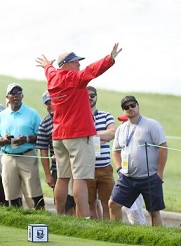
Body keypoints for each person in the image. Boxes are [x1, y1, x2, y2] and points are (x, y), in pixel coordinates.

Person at [36, 43, 121, 218]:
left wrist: (47, 64)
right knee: (80, 178)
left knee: (62, 177)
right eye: (76, 62)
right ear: (66, 64)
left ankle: (59, 215)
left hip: (59, 136)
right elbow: (92, 71)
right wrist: (109, 59)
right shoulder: (73, 78)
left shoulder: (52, 78)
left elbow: (50, 70)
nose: (79, 65)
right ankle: (83, 217)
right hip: (78, 134)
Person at [109, 96, 168, 226]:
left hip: (150, 176)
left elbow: (163, 147)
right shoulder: (121, 129)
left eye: (132, 105)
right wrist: (119, 168)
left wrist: (159, 172)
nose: (130, 108)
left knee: (153, 211)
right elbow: (115, 151)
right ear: (123, 110)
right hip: (127, 177)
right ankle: (115, 235)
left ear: (138, 106)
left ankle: (157, 238)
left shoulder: (152, 125)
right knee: (113, 204)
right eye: (126, 107)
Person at [0, 83, 44, 209]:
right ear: (7, 96)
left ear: (22, 96)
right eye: (13, 93)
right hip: (8, 157)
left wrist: (27, 138)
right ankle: (18, 218)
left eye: (18, 93)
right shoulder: (2, 116)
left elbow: (41, 135)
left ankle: (41, 218)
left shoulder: (32, 114)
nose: (16, 95)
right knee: (11, 193)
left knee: (34, 192)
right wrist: (4, 139)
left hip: (27, 156)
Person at [35, 91, 75, 215]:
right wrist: (48, 174)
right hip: (58, 167)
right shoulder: (45, 124)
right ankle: (66, 225)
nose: (50, 105)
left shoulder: (69, 116)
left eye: (52, 102)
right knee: (65, 203)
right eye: (47, 103)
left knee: (78, 200)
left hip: (75, 164)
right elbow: (43, 150)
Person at [86, 86, 116, 220]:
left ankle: (108, 229)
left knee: (107, 202)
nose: (89, 97)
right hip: (87, 168)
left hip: (105, 168)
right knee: (89, 202)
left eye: (92, 95)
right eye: (86, 95)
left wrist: (92, 136)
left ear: (96, 97)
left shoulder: (106, 115)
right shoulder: (79, 117)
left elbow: (113, 132)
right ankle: (94, 230)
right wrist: (102, 137)